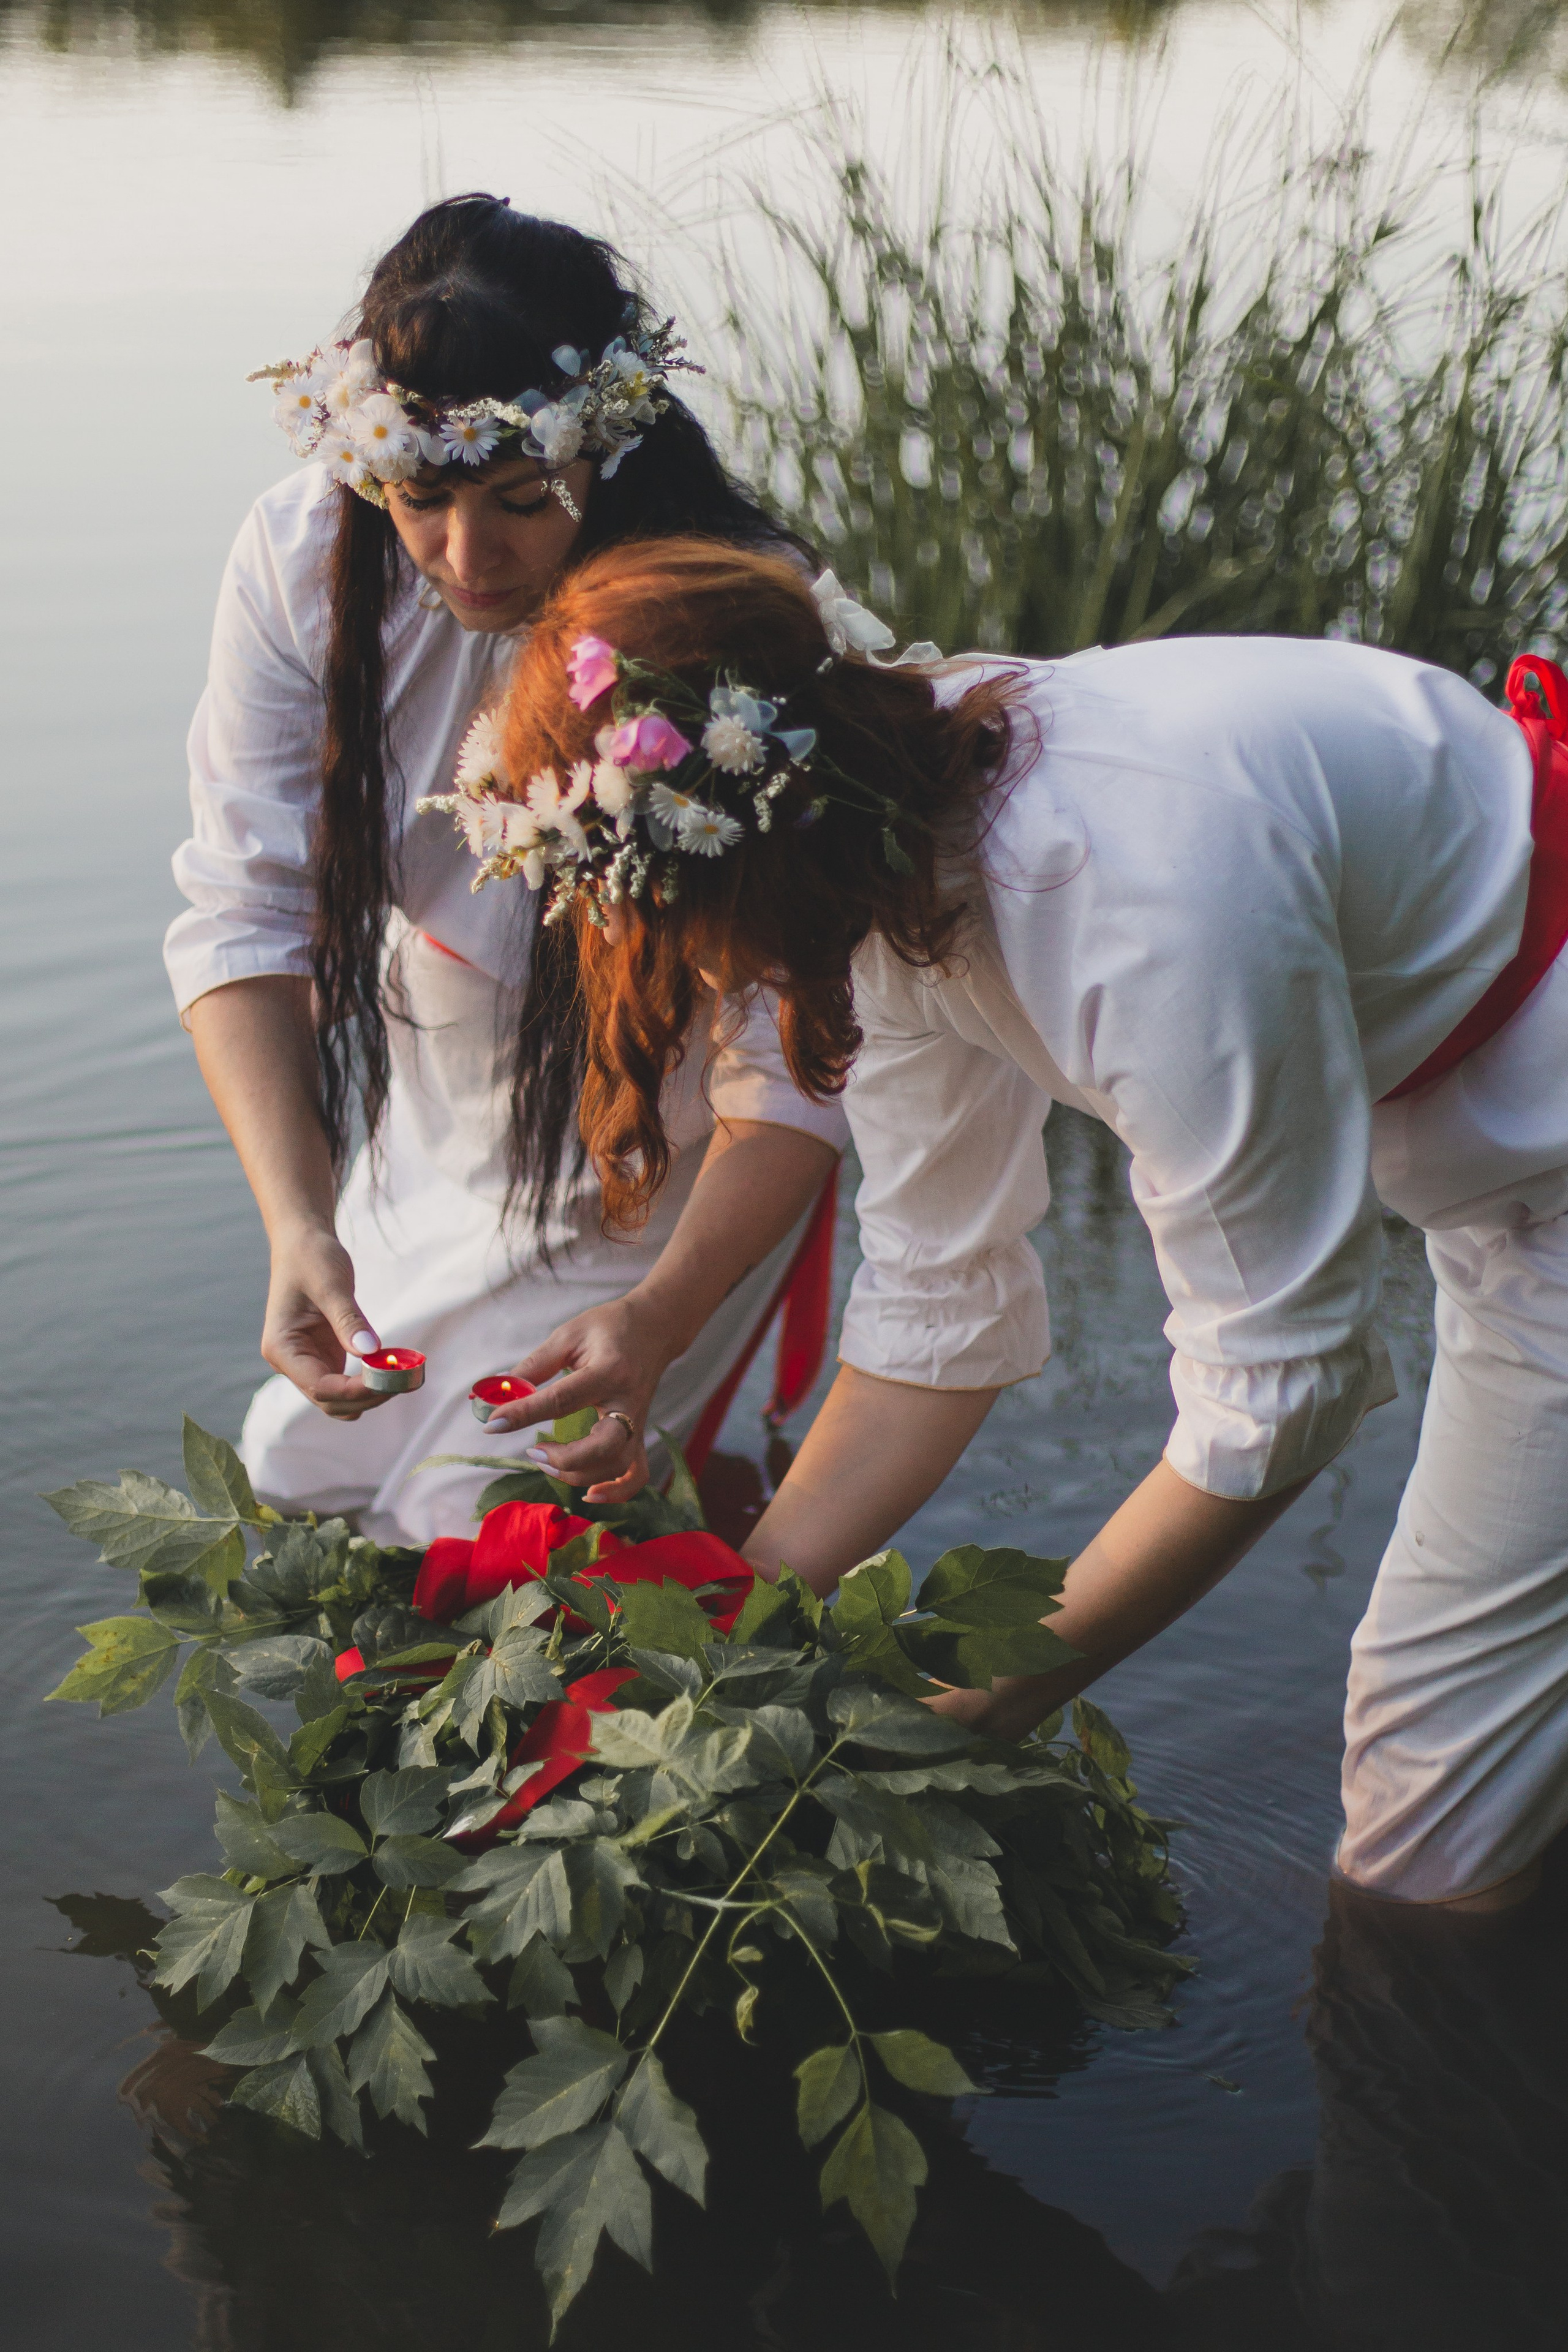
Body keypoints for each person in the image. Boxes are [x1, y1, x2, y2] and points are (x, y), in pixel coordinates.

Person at [446, 533, 1568, 1914]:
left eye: (660, 917)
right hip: (1482, 1144)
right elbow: (932, 1302)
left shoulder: (1125, 898)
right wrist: (725, 1632)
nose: (674, 967)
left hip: (1549, 1167)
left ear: (734, 854)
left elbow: (1282, 1389)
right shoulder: (887, 843)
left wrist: (1003, 1691)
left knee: (1426, 1824)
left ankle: (1456, 2107)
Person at [165, 197, 845, 1544]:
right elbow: (247, 912)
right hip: (440, 1091)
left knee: (486, 1523)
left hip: (668, 1129)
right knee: (301, 1478)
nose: (467, 561)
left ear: (605, 448)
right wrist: (300, 1221)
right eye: (420, 498)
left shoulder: (724, 614)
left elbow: (792, 1043)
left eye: (521, 501)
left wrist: (660, 1316)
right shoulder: (307, 559)